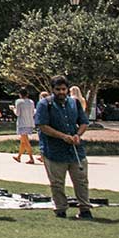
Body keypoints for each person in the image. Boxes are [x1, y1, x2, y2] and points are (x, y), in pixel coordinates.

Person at [36, 75, 92, 219]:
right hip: (54, 151)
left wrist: (78, 135)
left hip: (75, 151)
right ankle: (60, 209)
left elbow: (84, 122)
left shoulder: (74, 103)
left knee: (81, 181)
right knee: (57, 183)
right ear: (52, 89)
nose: (61, 92)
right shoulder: (45, 104)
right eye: (58, 89)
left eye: (63, 89)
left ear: (67, 89)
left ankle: (85, 208)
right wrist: (62, 136)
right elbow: (42, 126)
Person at [12, 88, 37, 164]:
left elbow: (17, 113)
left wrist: (13, 109)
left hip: (22, 123)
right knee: (23, 141)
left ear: (20, 94)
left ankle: (31, 158)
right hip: (30, 122)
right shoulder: (31, 102)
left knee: (26, 141)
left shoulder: (19, 102)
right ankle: (19, 156)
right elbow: (33, 113)